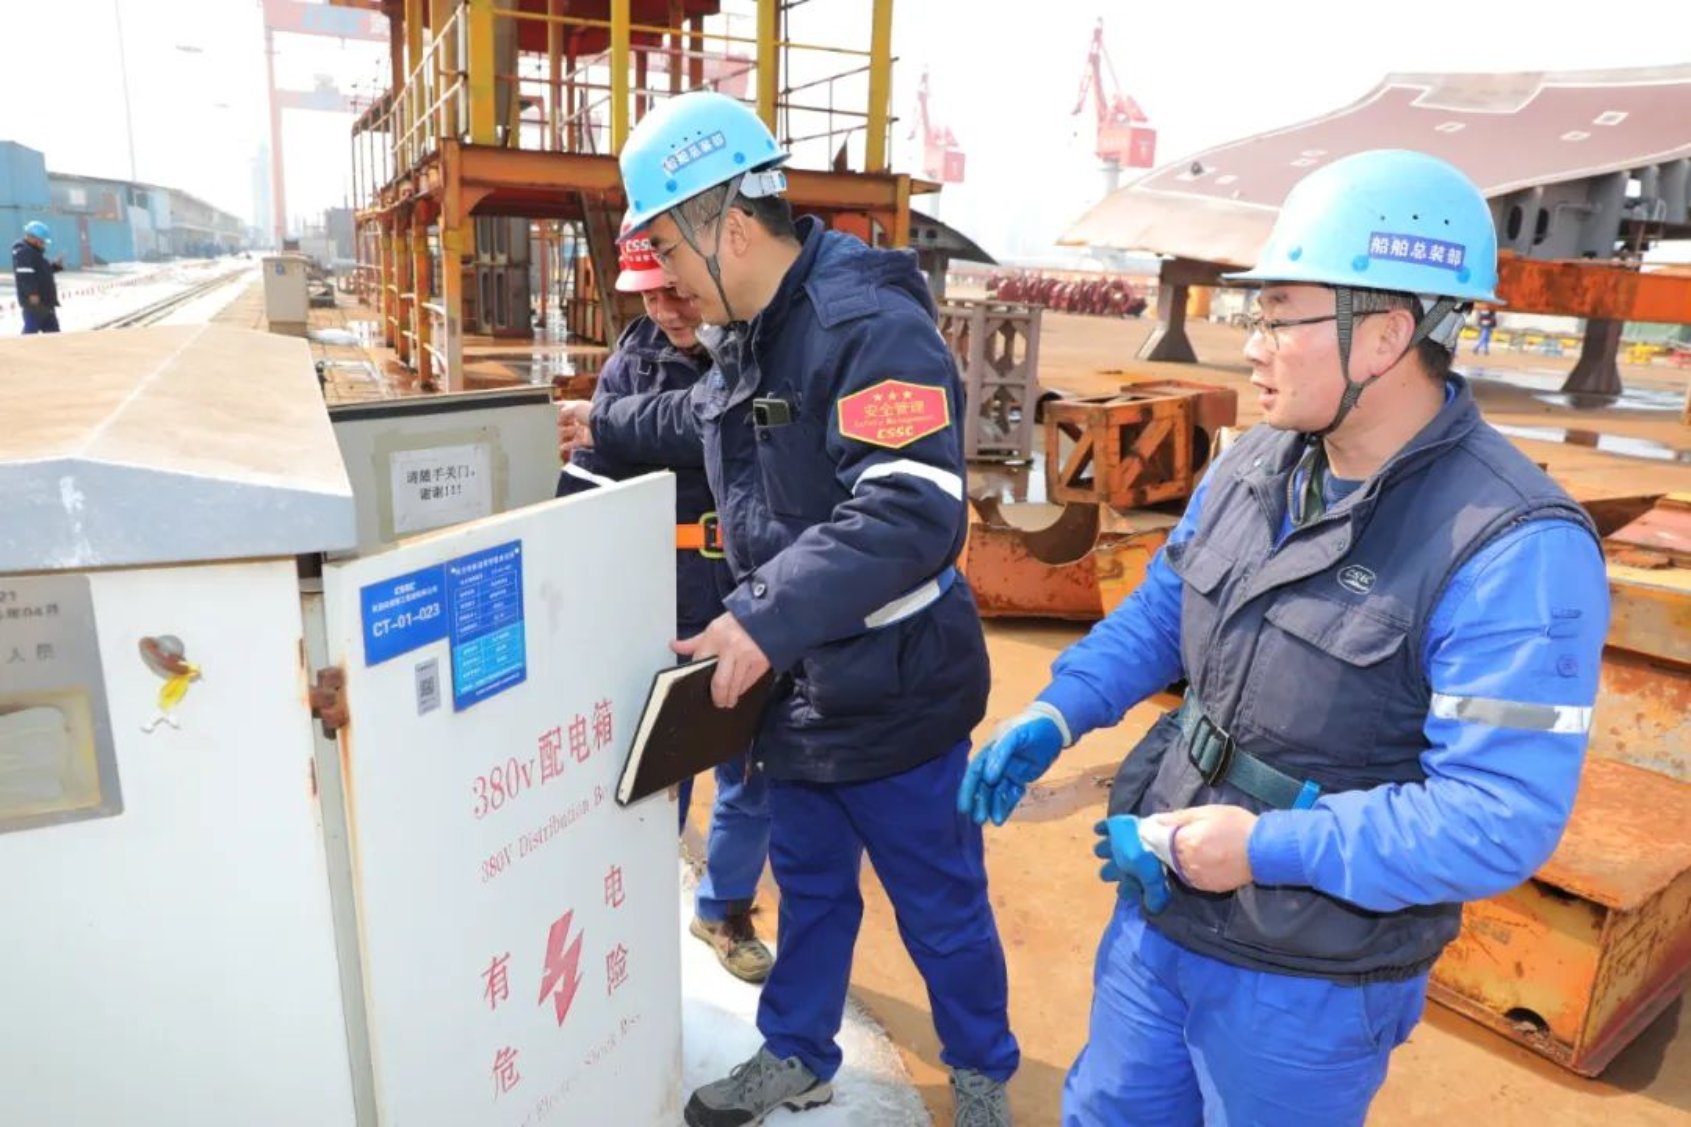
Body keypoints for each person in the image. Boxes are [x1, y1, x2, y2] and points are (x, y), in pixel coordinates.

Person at [957, 149, 1609, 1126]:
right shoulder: (1256, 462)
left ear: (1382, 335)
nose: (1251, 347)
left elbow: (1494, 816)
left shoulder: (1511, 546)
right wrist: (1059, 709)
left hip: (1308, 975)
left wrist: (1266, 848)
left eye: (1277, 318)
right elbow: (1162, 610)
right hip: (1163, 900)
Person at [560, 91, 1018, 1127]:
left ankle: (981, 1073)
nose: (665, 280)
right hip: (800, 695)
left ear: (726, 227)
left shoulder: (867, 325)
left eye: (665, 248)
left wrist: (761, 614)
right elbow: (703, 415)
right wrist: (603, 421)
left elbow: (909, 507)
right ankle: (797, 1052)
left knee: (940, 904)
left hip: (895, 691)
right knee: (811, 892)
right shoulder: (751, 329)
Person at [555, 223, 773, 985]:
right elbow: (592, 475)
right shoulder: (632, 361)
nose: (667, 310)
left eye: (675, 291)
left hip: (750, 587)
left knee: (749, 765)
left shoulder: (756, 349)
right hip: (660, 589)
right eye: (648, 296)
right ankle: (635, 915)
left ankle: (724, 908)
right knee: (656, 764)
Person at [11, 221, 65, 334]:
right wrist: (32, 293)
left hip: (45, 302)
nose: (43, 244)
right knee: (31, 332)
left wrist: (55, 267)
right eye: (42, 241)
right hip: (35, 303)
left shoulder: (34, 253)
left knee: (53, 334)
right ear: (33, 238)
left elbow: (41, 272)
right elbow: (25, 275)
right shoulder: (24, 252)